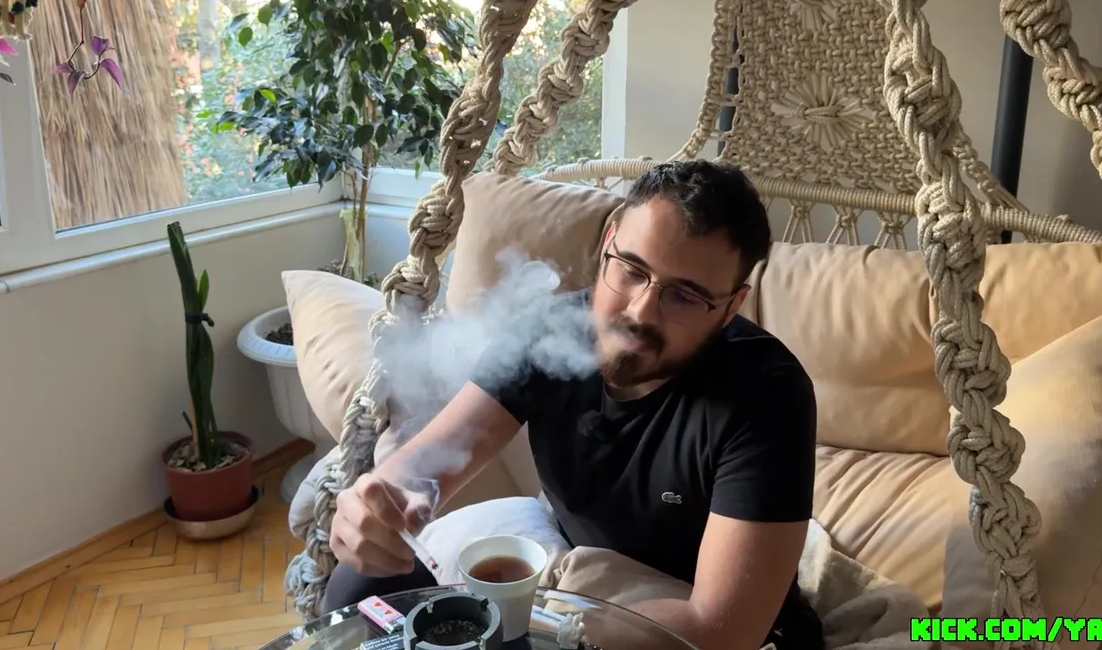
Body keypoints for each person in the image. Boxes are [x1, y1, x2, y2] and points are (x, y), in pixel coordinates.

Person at [323, 159, 822, 650]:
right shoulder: (547, 331)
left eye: (686, 297)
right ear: (608, 245)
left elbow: (722, 629)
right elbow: (430, 463)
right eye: (632, 269)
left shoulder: (767, 394)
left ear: (732, 306)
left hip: (694, 616)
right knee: (359, 584)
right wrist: (380, 504)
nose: (640, 312)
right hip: (581, 568)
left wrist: (543, 634)